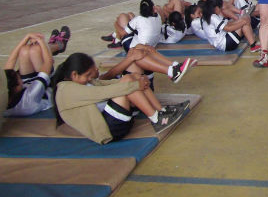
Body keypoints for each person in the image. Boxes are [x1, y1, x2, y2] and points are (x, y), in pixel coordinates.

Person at [52, 52, 188, 144]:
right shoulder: (66, 90)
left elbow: (105, 83)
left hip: (114, 119)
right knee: (128, 86)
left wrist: (137, 79)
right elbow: (101, 93)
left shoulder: (80, 83)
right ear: (74, 75)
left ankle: (161, 111)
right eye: (88, 75)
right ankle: (156, 118)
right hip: (109, 130)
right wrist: (135, 84)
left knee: (130, 79)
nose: (90, 78)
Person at [4, 31, 69, 117]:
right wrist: (41, 41)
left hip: (29, 86)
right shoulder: (29, 98)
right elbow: (48, 63)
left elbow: (9, 65)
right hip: (48, 87)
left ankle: (54, 46)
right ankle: (59, 45)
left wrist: (26, 37)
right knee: (36, 49)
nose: (18, 75)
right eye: (18, 78)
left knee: (24, 51)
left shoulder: (5, 97)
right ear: (16, 88)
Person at [194, 0, 261, 53]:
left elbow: (228, 23)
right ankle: (253, 46)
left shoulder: (210, 16)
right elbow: (228, 28)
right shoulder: (213, 17)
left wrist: (240, 20)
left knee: (244, 19)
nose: (220, 10)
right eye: (220, 8)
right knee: (244, 22)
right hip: (226, 44)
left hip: (223, 43)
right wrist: (243, 21)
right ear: (216, 8)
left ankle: (252, 42)